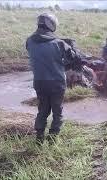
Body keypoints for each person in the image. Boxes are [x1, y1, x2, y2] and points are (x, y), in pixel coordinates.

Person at [26, 13, 76, 145]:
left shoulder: (29, 41)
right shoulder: (59, 43)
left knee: (42, 109)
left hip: (39, 82)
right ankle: (53, 139)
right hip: (56, 82)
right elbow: (72, 59)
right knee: (57, 110)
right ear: (52, 25)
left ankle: (39, 138)